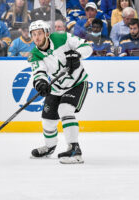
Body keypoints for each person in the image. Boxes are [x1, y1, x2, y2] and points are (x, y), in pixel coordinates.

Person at [28, 20, 93, 164]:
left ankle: (75, 150)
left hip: (77, 83)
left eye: (39, 33)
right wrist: (41, 83)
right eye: (33, 34)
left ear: (46, 33)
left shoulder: (61, 37)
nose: (37, 37)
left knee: (65, 110)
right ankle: (50, 147)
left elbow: (87, 47)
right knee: (47, 119)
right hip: (57, 88)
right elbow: (39, 72)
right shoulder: (34, 54)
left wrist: (77, 54)